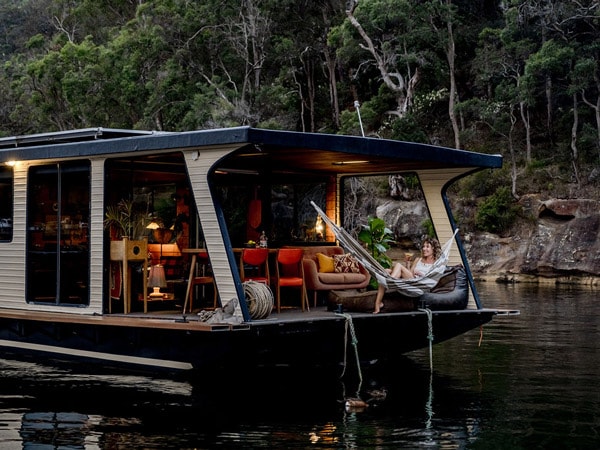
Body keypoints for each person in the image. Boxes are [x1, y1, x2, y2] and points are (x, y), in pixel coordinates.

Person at [373, 237, 442, 314]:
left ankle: (389, 282)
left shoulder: (436, 264)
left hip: (420, 285)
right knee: (386, 271)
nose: (424, 249)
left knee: (398, 265)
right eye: (423, 246)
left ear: (433, 248)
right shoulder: (418, 259)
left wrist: (421, 274)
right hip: (411, 281)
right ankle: (378, 303)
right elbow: (410, 273)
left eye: (427, 246)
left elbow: (433, 279)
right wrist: (408, 264)